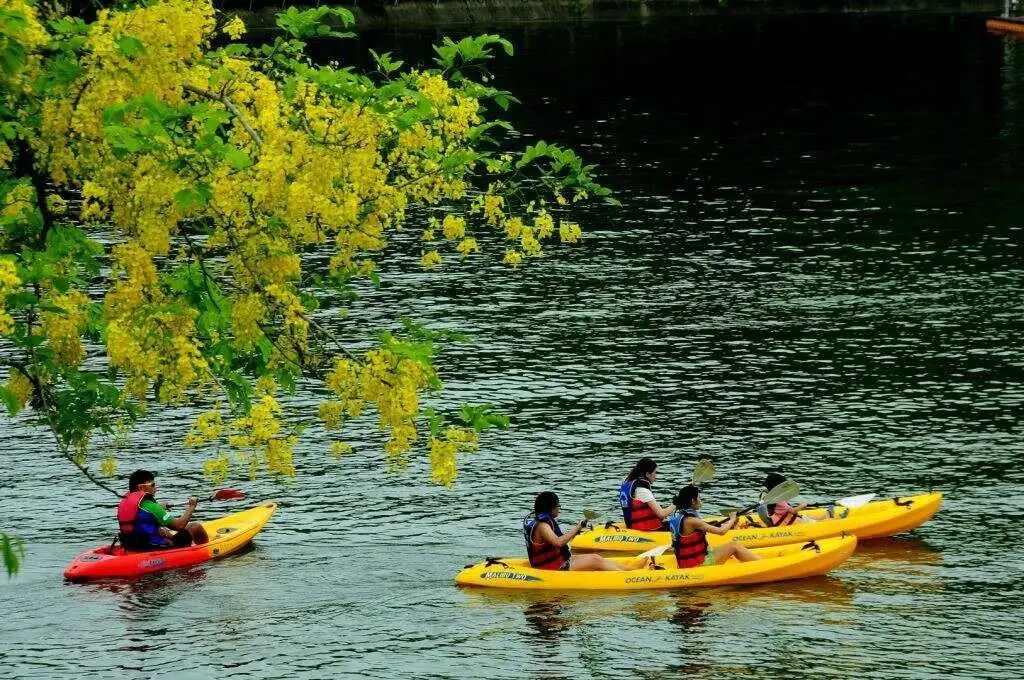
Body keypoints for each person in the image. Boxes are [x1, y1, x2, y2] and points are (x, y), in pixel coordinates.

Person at [525, 492, 647, 572]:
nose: (559, 509)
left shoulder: (544, 522)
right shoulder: (542, 525)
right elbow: (558, 543)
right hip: (550, 568)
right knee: (595, 561)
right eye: (558, 506)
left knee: (596, 557)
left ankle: (631, 569)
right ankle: (627, 576)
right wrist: (576, 528)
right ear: (550, 508)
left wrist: (576, 531)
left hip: (558, 562)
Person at [668, 485, 760, 568]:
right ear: (693, 501)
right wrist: (732, 519)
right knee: (733, 546)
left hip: (686, 563)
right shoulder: (692, 521)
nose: (701, 500)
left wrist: (728, 524)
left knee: (717, 548)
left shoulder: (679, 516)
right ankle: (761, 565)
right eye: (699, 498)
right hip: (697, 565)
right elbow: (721, 532)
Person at [117, 469, 209, 551]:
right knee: (195, 527)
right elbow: (179, 526)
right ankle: (206, 549)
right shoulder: (151, 507)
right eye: (153, 485)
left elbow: (141, 519)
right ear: (141, 487)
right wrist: (192, 506)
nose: (156, 488)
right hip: (153, 547)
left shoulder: (125, 502)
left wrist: (158, 507)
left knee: (164, 530)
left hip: (131, 546)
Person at [618, 457, 675, 531]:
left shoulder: (629, 483)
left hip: (632, 525)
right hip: (646, 529)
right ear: (648, 474)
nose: (656, 476)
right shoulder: (643, 491)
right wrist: (677, 503)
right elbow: (662, 514)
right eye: (655, 472)